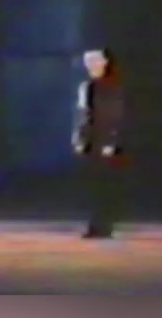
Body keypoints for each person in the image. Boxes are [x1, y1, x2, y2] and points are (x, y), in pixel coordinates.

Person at [72, 48, 129, 239]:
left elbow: (115, 116)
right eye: (89, 63)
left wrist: (111, 141)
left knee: (106, 184)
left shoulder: (112, 88)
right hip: (92, 141)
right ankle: (96, 223)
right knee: (94, 184)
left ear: (104, 64)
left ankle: (105, 224)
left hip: (105, 142)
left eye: (95, 62)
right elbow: (82, 115)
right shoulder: (87, 87)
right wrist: (80, 139)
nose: (91, 66)